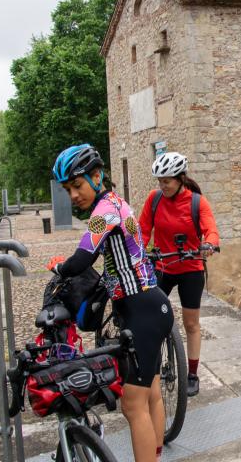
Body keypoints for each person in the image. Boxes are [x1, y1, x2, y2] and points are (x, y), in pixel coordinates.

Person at [46, 144, 171, 462]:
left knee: (132, 405)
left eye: (77, 185)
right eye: (68, 189)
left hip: (141, 309)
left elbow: (82, 259)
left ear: (97, 175)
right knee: (152, 394)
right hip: (151, 306)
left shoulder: (104, 212)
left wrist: (59, 267)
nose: (73, 195)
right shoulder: (116, 202)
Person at [139, 151, 220, 397]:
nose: (162, 186)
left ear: (180, 179)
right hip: (162, 265)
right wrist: (139, 253)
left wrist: (209, 244)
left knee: (191, 323)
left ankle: (192, 374)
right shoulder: (154, 200)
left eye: (167, 181)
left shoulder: (197, 202)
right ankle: (151, 364)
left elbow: (211, 230)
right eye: (159, 181)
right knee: (149, 316)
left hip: (190, 268)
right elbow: (143, 230)